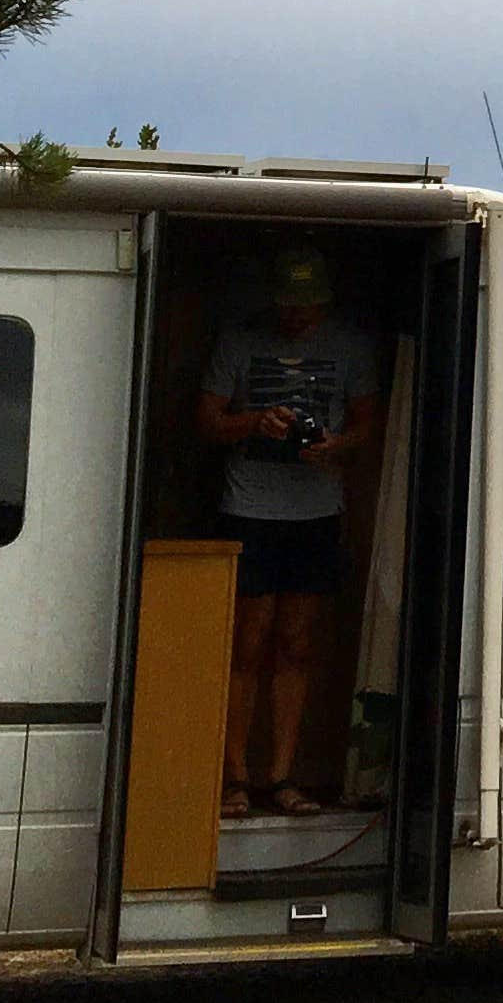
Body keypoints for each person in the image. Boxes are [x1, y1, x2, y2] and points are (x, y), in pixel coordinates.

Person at [197, 243, 378, 817]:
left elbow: (369, 427)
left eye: (310, 306)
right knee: (246, 644)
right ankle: (234, 778)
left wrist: (333, 444)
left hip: (316, 512)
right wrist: (255, 421)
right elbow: (205, 421)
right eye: (291, 306)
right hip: (249, 509)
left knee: (297, 646)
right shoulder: (242, 339)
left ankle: (283, 777)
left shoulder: (350, 344)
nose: (300, 317)